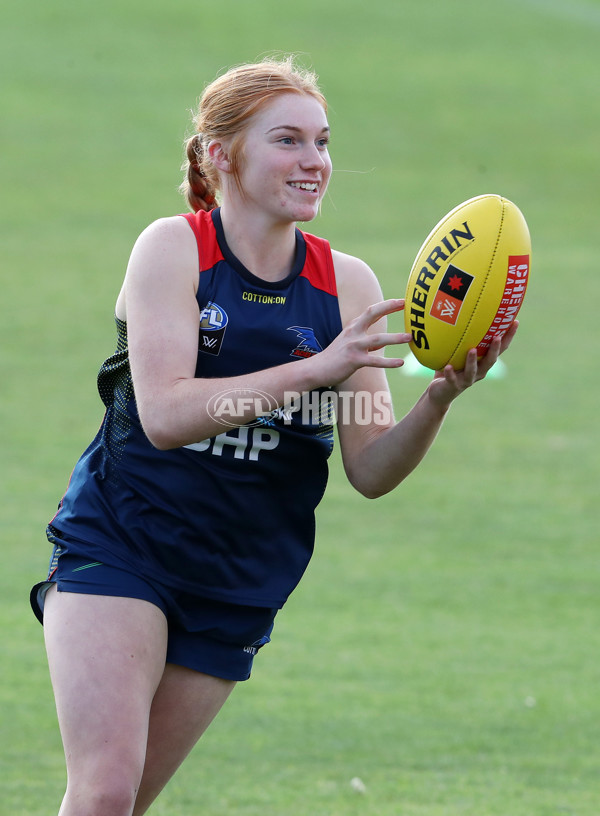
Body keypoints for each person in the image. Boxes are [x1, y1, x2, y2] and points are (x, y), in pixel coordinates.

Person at [31, 57, 517, 816]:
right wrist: (315, 367)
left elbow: (372, 467)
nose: (314, 162)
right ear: (221, 154)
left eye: (322, 142)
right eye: (288, 141)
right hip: (124, 543)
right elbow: (165, 416)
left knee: (125, 806)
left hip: (240, 575)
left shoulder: (345, 284)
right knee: (102, 795)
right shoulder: (173, 250)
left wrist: (441, 399)